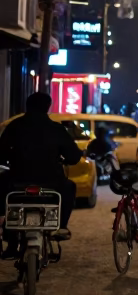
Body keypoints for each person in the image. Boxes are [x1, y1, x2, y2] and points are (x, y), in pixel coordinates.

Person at [0, 91, 83, 256]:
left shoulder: (15, 126)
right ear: (47, 107)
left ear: (27, 106)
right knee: (69, 187)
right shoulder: (56, 129)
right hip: (51, 182)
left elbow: (1, 153)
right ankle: (60, 227)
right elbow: (73, 156)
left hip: (18, 180)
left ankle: (7, 232)